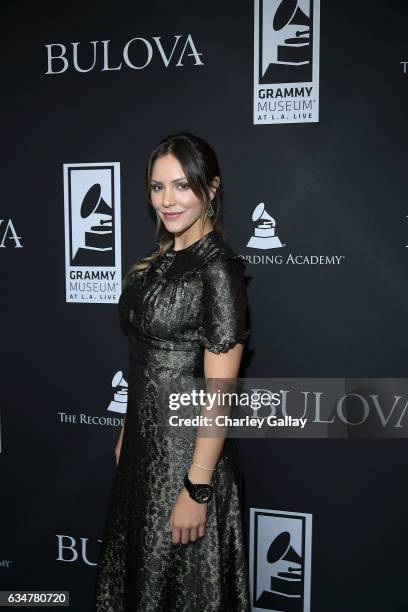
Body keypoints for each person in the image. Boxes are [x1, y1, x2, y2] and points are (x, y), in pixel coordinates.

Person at [93, 132, 251, 611]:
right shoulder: (157, 264)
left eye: (182, 186)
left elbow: (220, 390)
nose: (167, 200)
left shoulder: (217, 271)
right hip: (142, 454)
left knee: (182, 590)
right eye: (157, 187)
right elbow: (141, 360)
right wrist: (127, 427)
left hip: (187, 458)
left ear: (211, 189)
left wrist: (196, 487)